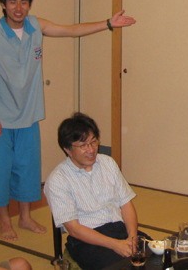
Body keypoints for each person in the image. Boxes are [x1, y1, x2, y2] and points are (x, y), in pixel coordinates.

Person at [0, 0, 136, 241]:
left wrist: (108, 23)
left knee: (26, 167)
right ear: (3, 4)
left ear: (29, 4)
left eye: (24, 2)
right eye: (12, 1)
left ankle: (25, 216)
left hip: (27, 113)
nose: (18, 7)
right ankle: (4, 221)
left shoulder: (35, 26)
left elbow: (71, 30)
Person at [44, 113, 141, 270]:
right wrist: (115, 244)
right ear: (68, 149)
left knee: (159, 256)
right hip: (86, 240)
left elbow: (126, 204)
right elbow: (74, 229)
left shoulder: (108, 163)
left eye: (94, 142)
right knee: (122, 267)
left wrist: (132, 238)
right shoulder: (58, 180)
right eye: (83, 145)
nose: (91, 149)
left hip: (119, 229)